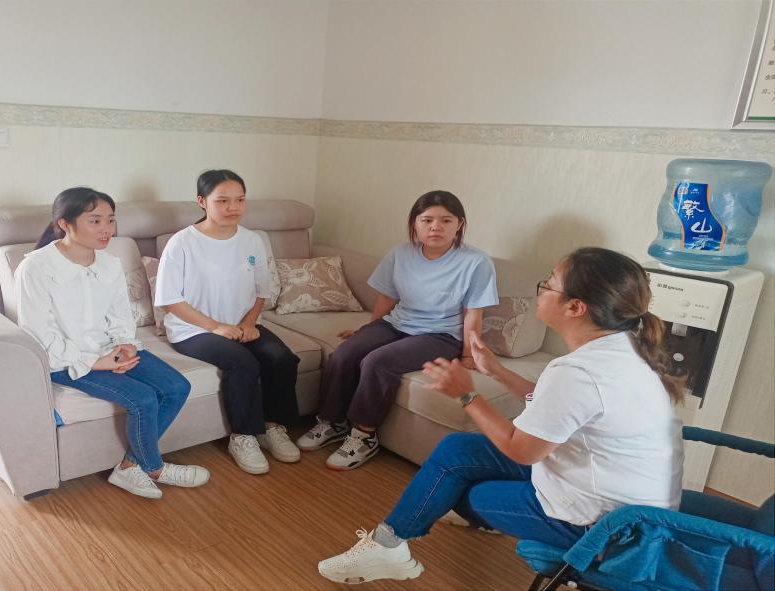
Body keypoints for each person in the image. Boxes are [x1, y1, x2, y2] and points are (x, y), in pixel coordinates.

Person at [317, 247, 684, 584]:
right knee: (458, 449)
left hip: (604, 529)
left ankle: (395, 545)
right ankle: (389, 547)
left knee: (463, 492)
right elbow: (554, 407)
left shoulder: (579, 372)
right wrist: (495, 370)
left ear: (576, 307)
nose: (541, 290)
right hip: (627, 505)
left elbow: (521, 450)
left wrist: (466, 395)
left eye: (549, 283)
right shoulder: (624, 349)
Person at [15, 187, 209, 500]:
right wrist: (96, 362)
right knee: (143, 398)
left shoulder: (109, 263)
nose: (106, 229)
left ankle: (130, 466)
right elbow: (38, 334)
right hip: (66, 360)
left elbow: (120, 316)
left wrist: (125, 344)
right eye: (95, 221)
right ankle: (154, 467)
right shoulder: (35, 268)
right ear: (64, 223)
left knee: (177, 387)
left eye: (110, 220)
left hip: (110, 349)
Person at [296, 190, 498, 470]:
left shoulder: (475, 262)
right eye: (427, 220)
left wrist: (467, 355)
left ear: (459, 224)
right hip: (397, 323)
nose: (435, 227)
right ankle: (332, 422)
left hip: (440, 335)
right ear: (415, 223)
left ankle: (364, 436)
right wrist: (368, 331)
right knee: (345, 354)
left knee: (377, 362)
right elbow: (388, 297)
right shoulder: (401, 253)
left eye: (446, 220)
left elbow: (473, 312)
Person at [156, 170, 302, 475]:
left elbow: (261, 291)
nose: (233, 207)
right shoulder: (182, 243)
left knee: (282, 358)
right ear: (202, 201)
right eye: (222, 200)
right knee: (242, 362)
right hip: (193, 329)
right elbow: (170, 300)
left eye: (240, 200)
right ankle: (243, 436)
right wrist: (215, 327)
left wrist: (250, 323)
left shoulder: (252, 240)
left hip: (240, 324)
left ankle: (271, 427)